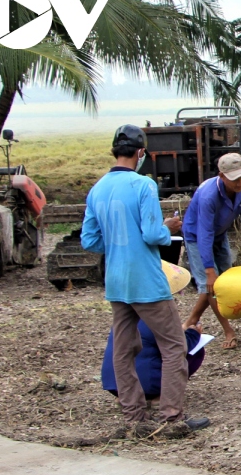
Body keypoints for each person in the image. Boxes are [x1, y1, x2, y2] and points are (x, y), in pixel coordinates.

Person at [81, 125, 210, 435]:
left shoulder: (97, 189)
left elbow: (89, 240)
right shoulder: (143, 186)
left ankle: (134, 417)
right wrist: (167, 227)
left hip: (116, 282)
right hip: (146, 282)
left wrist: (117, 244)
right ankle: (171, 417)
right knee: (173, 346)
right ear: (141, 153)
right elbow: (153, 235)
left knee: (124, 349)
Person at [181, 153, 241, 349]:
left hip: (219, 233)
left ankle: (190, 321)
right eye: (235, 179)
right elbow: (204, 232)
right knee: (212, 284)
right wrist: (208, 268)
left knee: (221, 282)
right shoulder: (209, 195)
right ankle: (228, 330)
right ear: (222, 176)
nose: (240, 183)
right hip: (197, 236)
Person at [102, 322, 207, 403]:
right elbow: (180, 346)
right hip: (147, 387)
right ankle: (160, 397)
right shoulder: (155, 318)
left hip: (114, 385)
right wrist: (193, 333)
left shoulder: (121, 318)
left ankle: (125, 398)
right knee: (194, 352)